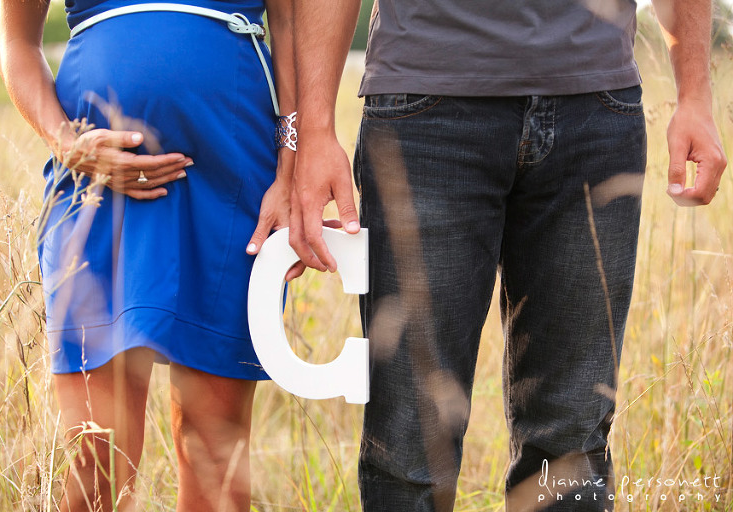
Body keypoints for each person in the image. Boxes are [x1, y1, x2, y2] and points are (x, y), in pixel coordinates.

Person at [286, 0, 727, 510]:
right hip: (425, 106)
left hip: (596, 106)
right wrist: (314, 130)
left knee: (572, 443)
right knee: (409, 442)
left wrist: (695, 92)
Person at [0, 0, 296, 509]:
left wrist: (291, 165)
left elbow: (292, 19)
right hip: (92, 183)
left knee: (215, 467)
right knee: (94, 469)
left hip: (229, 171)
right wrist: (67, 144)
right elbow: (16, 41)